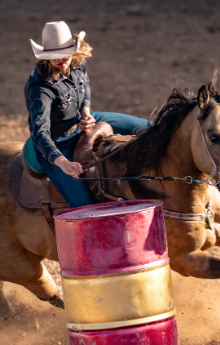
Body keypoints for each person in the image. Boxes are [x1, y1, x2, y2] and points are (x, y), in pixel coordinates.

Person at [25, 21, 150, 208]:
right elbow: (40, 132)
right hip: (58, 142)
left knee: (152, 128)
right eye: (53, 55)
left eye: (65, 53)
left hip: (84, 121)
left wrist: (85, 110)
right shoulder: (41, 88)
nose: (60, 59)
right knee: (87, 209)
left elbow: (85, 87)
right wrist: (63, 163)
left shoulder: (78, 63)